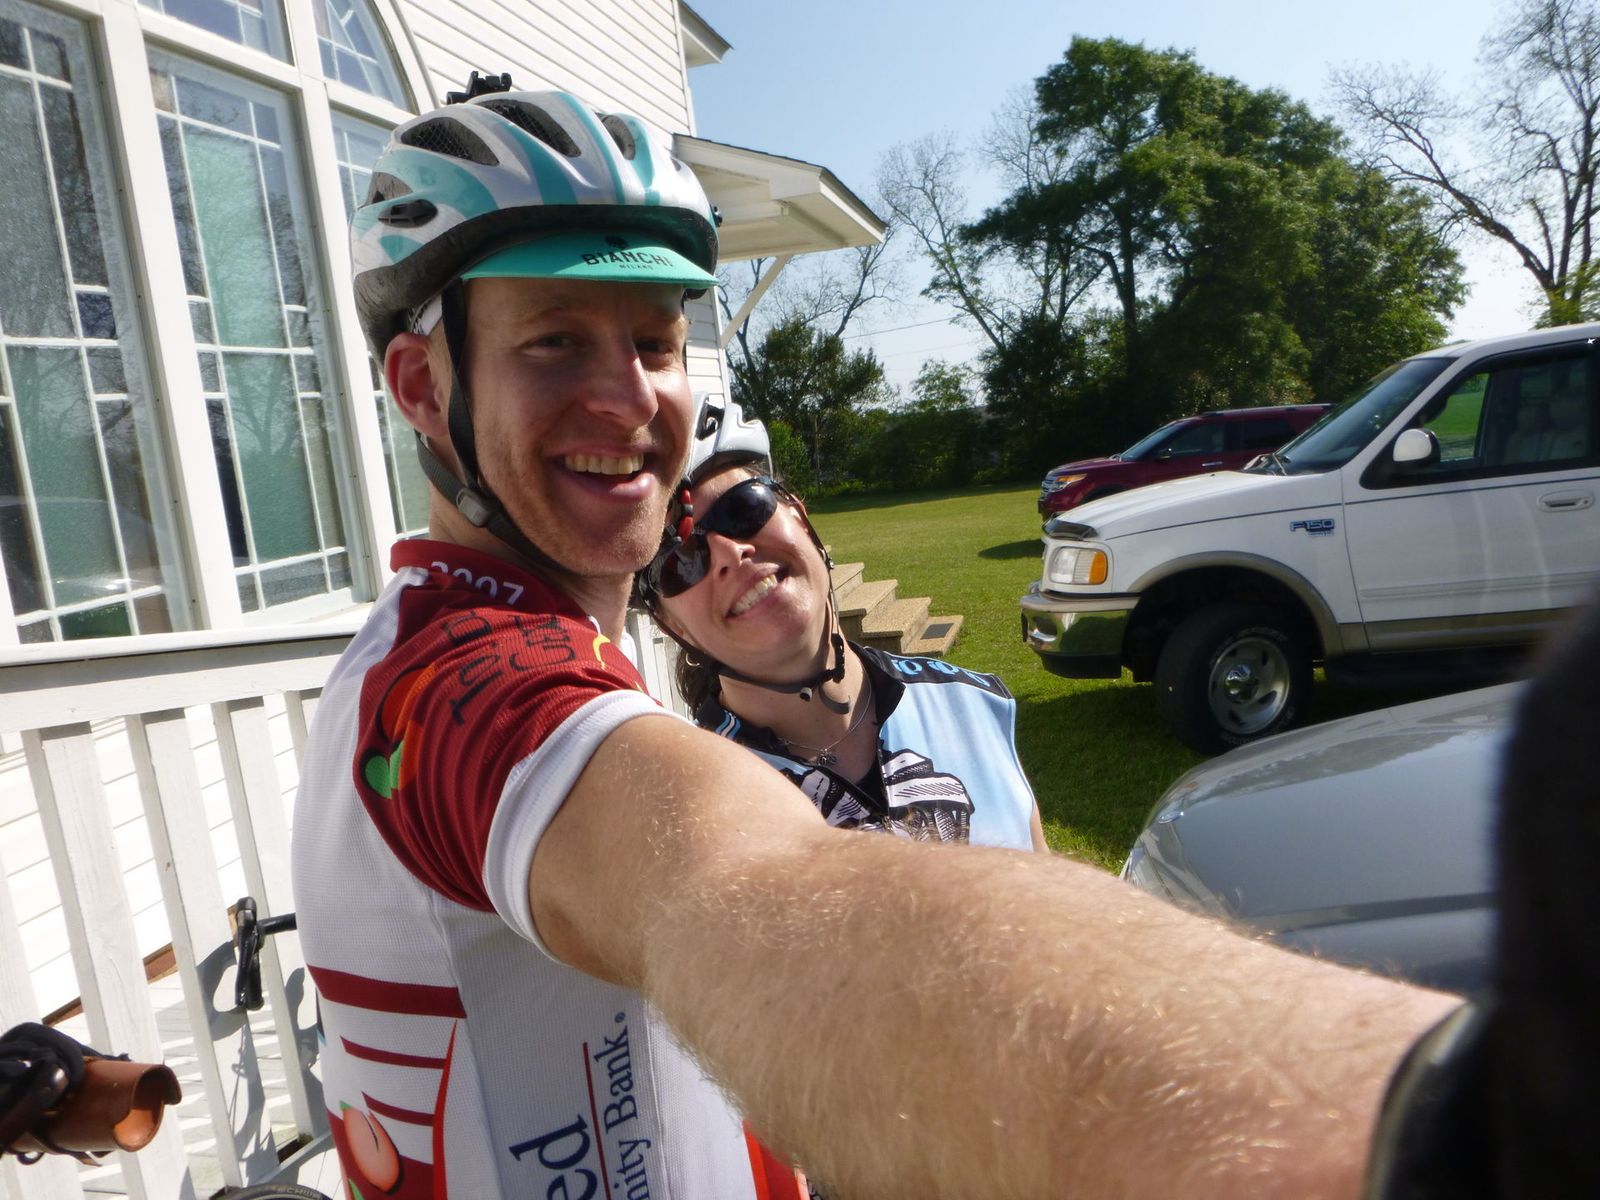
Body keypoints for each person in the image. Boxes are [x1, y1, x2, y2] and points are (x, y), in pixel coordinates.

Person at [292, 75, 1458, 1200]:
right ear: (420, 384)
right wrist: (1424, 1127)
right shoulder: (453, 681)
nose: (630, 399)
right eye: (553, 341)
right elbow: (768, 905)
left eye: (654, 341)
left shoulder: (535, 647)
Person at [638, 396, 1048, 853]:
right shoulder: (690, 812)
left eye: (743, 509)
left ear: (800, 515)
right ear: (670, 624)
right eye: (680, 560)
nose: (731, 554)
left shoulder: (973, 703)